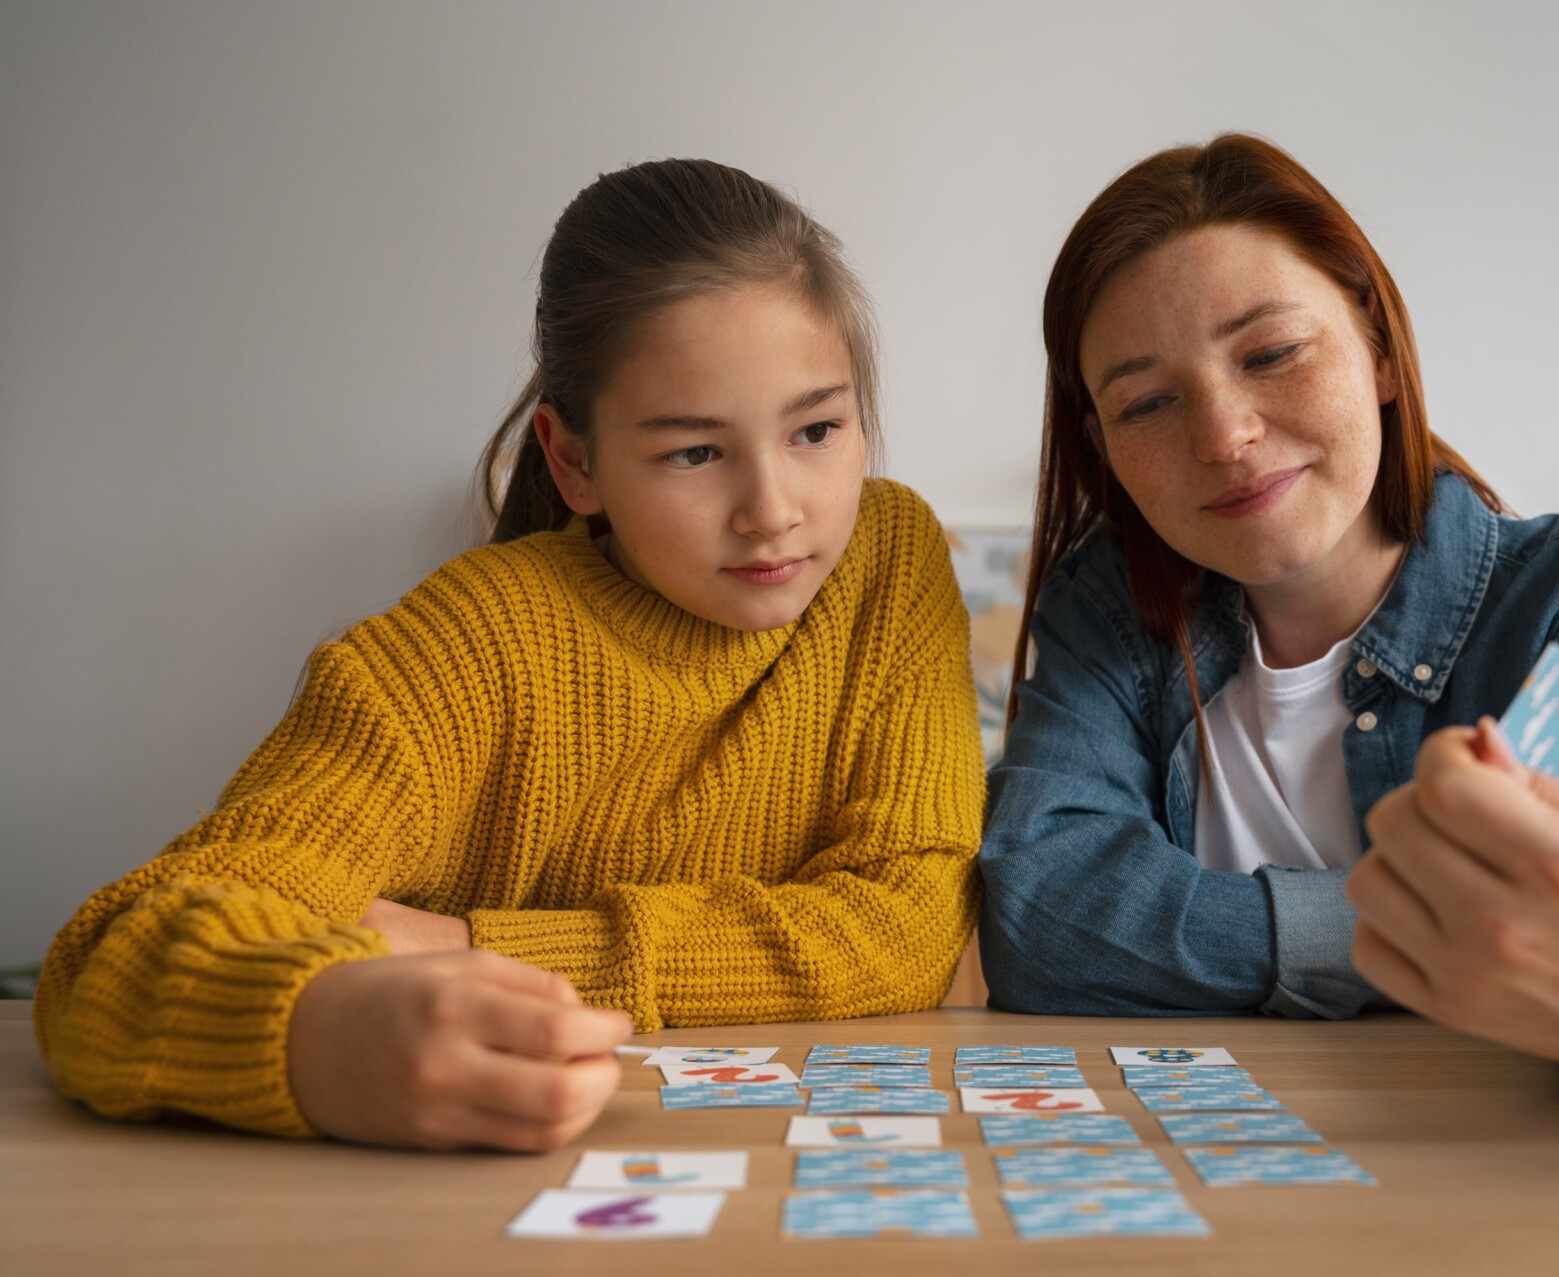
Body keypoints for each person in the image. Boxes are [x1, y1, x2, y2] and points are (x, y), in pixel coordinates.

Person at [35, 159, 984, 1149]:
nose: (776, 509)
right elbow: (113, 953)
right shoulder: (463, 648)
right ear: (573, 459)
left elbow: (909, 920)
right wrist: (315, 1038)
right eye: (695, 452)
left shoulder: (889, 556)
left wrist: (466, 945)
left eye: (817, 429)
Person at [978, 134, 1559, 1107]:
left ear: (1379, 347)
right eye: (1147, 403)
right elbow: (1040, 913)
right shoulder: (1108, 608)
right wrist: (1416, 935)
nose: (1224, 436)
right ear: (1104, 445)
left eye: (1272, 352)